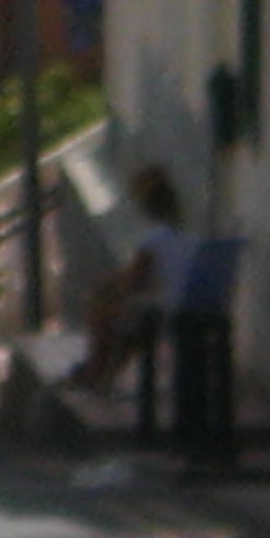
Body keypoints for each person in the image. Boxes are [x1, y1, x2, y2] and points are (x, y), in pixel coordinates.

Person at [70, 165, 193, 392]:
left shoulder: (152, 241)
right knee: (121, 316)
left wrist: (104, 292)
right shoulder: (185, 238)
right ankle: (100, 372)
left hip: (161, 308)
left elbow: (133, 282)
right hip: (180, 304)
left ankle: (97, 371)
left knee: (105, 313)